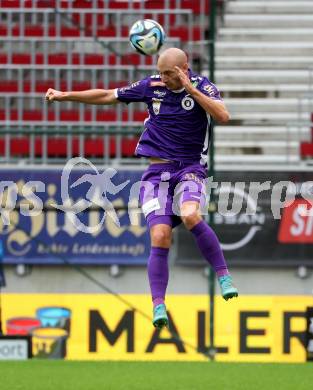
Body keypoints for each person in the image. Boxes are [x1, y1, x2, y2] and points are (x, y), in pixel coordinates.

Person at [45, 47, 238, 329]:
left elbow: (223, 116)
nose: (163, 78)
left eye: (169, 74)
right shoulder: (152, 86)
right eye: (160, 72)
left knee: (190, 215)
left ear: (184, 69)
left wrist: (191, 91)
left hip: (190, 169)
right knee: (159, 234)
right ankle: (158, 304)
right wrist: (65, 95)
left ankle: (223, 275)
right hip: (157, 172)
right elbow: (108, 95)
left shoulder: (202, 87)